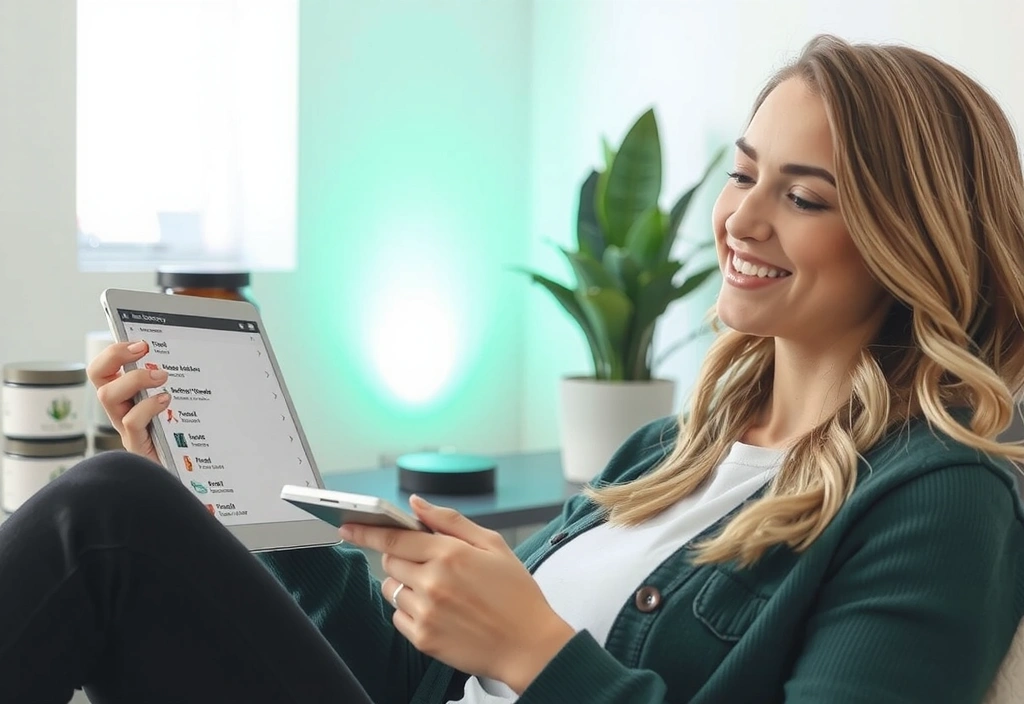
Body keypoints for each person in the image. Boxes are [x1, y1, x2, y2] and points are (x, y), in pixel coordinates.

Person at [2, 32, 1024, 704]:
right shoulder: (664, 451)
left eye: (804, 197)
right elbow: (409, 682)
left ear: (911, 238)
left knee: (103, 515)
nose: (741, 220)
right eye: (743, 173)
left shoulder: (937, 496)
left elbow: (525, 662)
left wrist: (535, 650)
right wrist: (241, 513)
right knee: (140, 505)